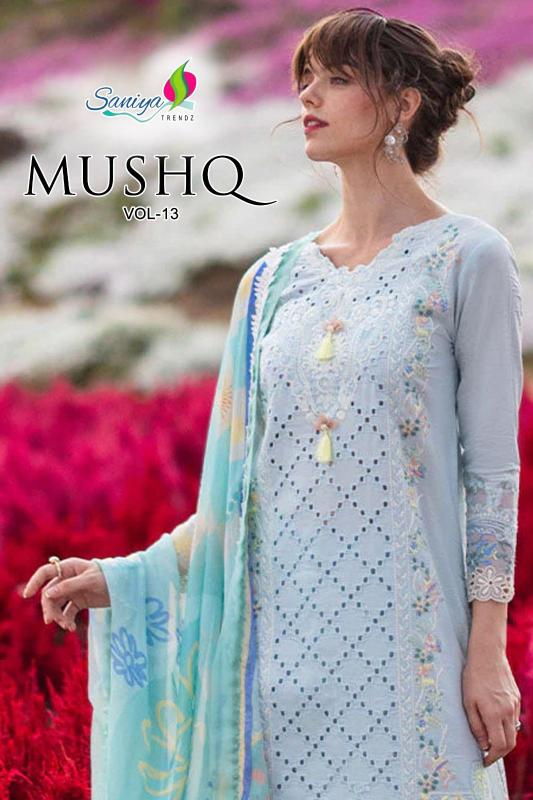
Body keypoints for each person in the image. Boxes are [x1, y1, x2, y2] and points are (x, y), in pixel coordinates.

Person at [22, 7, 524, 799]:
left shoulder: (469, 259)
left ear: (402, 104)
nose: (307, 96)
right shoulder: (270, 283)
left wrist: (486, 653)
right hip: (273, 659)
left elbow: (491, 476)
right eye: (303, 78)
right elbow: (245, 494)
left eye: (337, 78)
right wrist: (126, 576)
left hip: (409, 656)